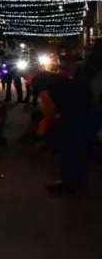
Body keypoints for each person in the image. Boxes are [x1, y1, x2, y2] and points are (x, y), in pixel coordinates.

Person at [30, 61, 97, 196]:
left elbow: (51, 109)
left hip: (76, 113)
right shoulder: (50, 76)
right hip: (90, 109)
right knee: (78, 149)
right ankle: (79, 181)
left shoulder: (38, 82)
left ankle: (68, 185)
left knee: (68, 148)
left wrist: (43, 129)